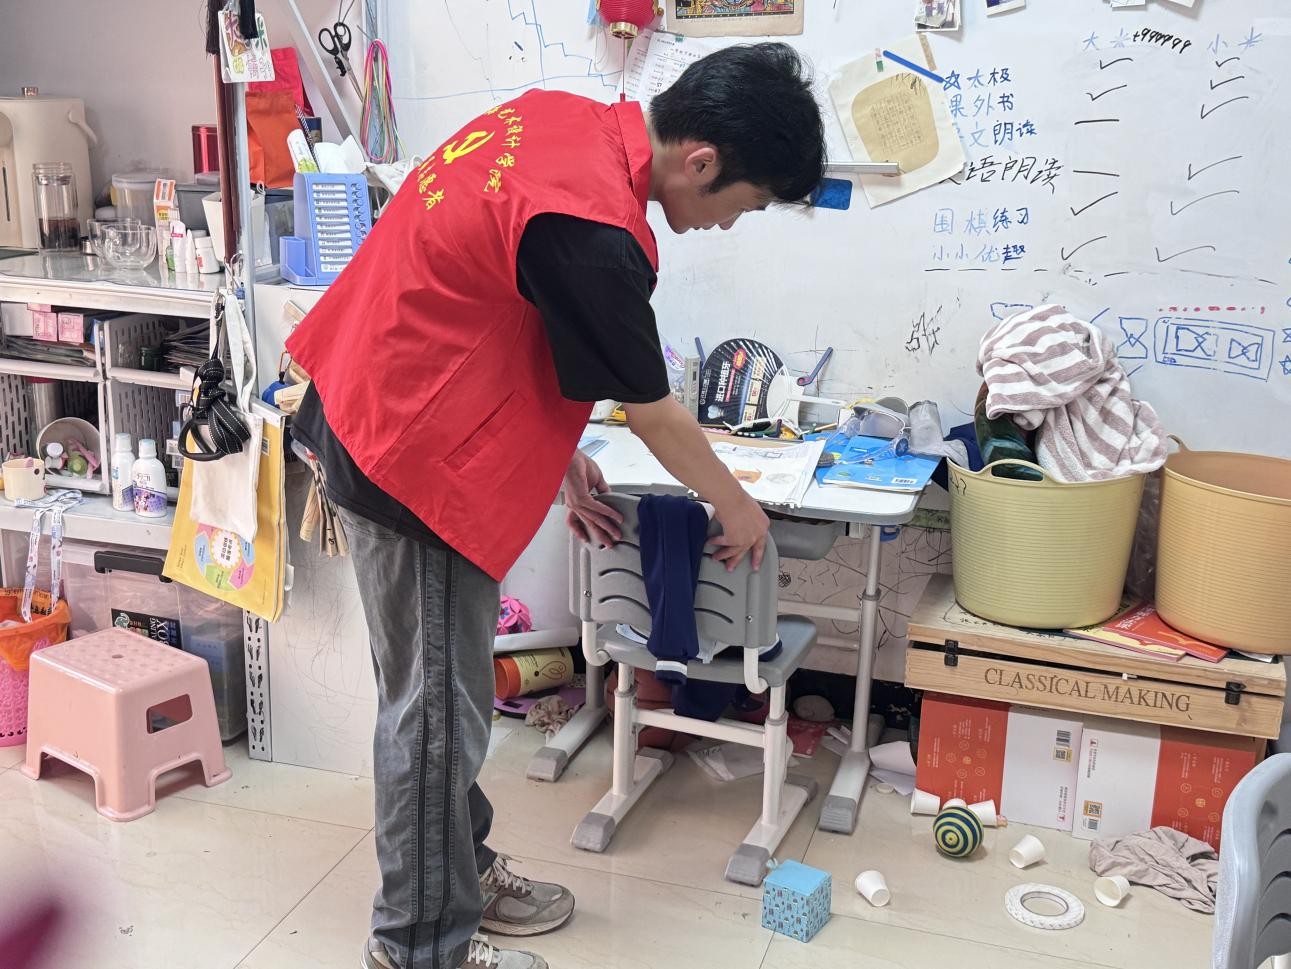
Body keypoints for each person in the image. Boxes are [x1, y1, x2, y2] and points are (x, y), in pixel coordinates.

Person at [287, 42, 826, 969]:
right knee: (435, 719)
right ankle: (419, 946)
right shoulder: (594, 225)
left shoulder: (558, 122)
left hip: (381, 408)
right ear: (701, 161)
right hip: (409, 462)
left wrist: (557, 449)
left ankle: (460, 871)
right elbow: (653, 410)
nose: (729, 224)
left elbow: (487, 299)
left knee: (434, 703)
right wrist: (736, 505)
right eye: (743, 205)